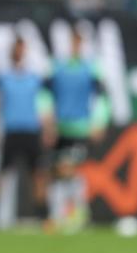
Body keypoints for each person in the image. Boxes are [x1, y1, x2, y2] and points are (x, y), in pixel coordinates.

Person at [44, 29, 109, 233]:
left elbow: (102, 96)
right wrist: (48, 121)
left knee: (68, 168)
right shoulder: (58, 67)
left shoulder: (91, 68)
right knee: (62, 172)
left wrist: (99, 121)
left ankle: (69, 216)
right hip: (61, 126)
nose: (76, 46)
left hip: (80, 127)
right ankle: (73, 215)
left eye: (79, 42)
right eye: (73, 42)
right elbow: (45, 94)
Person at [0, 37, 53, 228]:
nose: (19, 53)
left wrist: (48, 128)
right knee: (1, 175)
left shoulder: (34, 78)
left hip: (31, 131)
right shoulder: (3, 77)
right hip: (12, 131)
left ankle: (44, 217)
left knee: (38, 175)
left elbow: (45, 105)